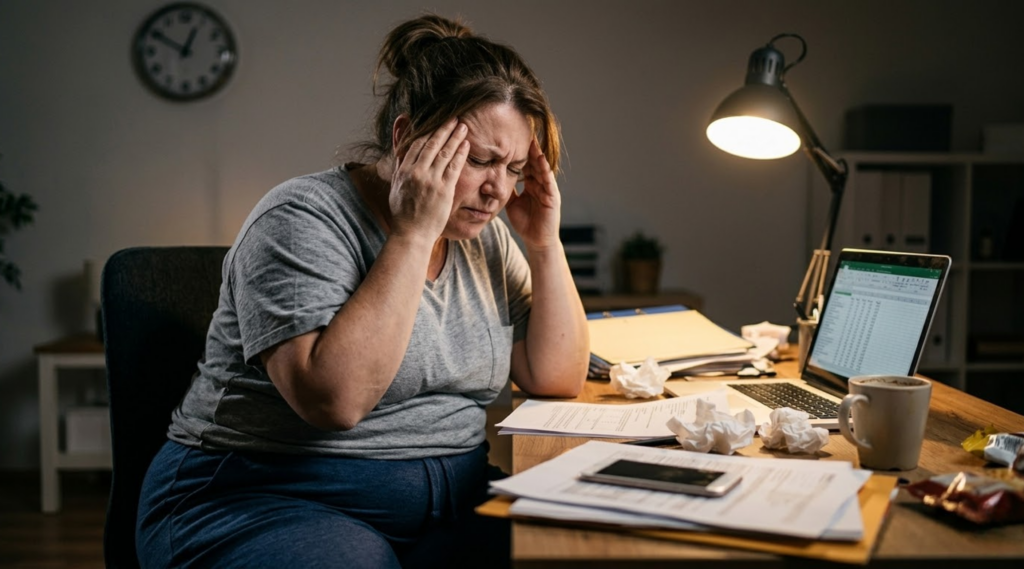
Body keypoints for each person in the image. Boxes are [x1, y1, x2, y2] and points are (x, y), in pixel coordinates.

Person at [135, 13, 590, 569]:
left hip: (449, 503)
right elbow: (336, 402)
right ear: (405, 139)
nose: (499, 190)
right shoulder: (300, 219)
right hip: (265, 499)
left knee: (580, 549)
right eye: (479, 160)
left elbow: (557, 375)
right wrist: (412, 233)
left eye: (514, 168)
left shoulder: (482, 234)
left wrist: (545, 244)